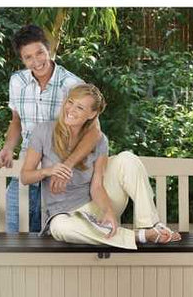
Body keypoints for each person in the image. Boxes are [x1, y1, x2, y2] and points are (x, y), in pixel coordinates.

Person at [20, 84, 181, 249]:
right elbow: (25, 177)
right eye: (70, 102)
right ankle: (138, 236)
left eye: (80, 107)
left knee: (127, 158)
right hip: (65, 214)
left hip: (96, 205)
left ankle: (150, 225)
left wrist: (108, 211)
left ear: (92, 114)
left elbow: (97, 186)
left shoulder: (99, 140)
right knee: (60, 228)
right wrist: (48, 170)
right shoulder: (43, 132)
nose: (71, 109)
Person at [0, 24, 101, 233]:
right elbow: (16, 120)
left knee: (51, 234)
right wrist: (9, 147)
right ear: (22, 59)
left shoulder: (72, 84)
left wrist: (68, 166)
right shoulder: (17, 81)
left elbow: (94, 131)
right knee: (13, 228)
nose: (36, 62)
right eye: (28, 57)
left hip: (61, 169)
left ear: (49, 50)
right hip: (30, 166)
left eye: (40, 53)